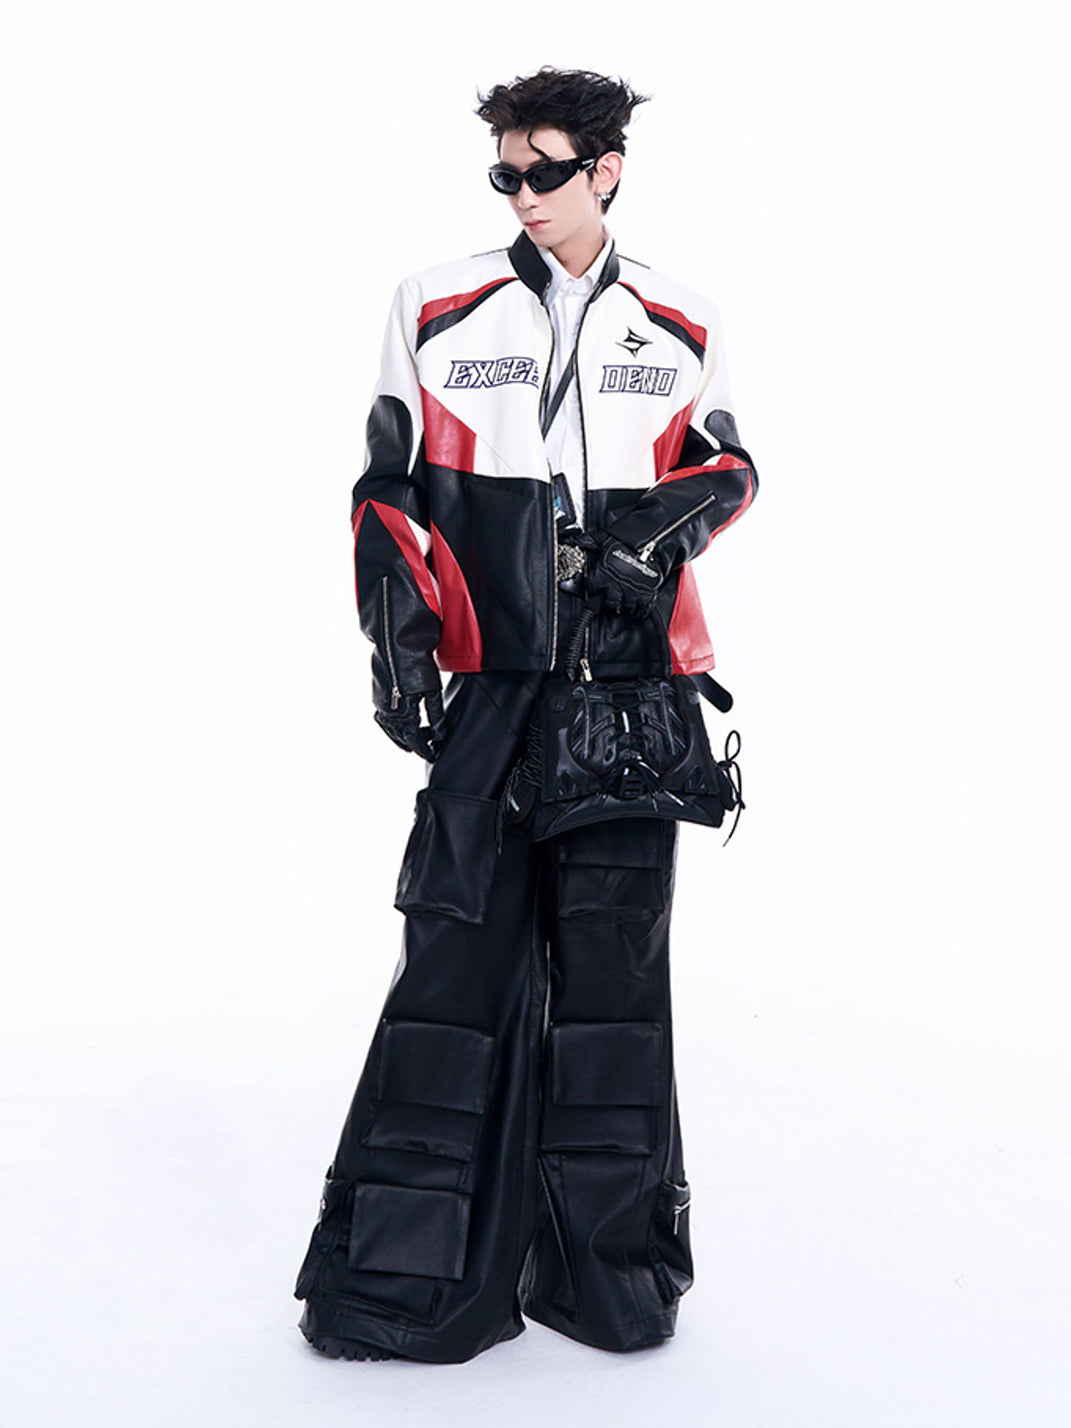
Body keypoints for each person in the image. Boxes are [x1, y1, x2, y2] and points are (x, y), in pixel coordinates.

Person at [293, 65, 758, 1365]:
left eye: (545, 171)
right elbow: (386, 482)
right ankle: (411, 1286)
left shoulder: (680, 317)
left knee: (615, 990)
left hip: (630, 690)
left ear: (607, 170)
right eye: (505, 173)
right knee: (454, 971)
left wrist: (657, 527)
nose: (523, 195)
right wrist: (396, 630)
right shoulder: (436, 305)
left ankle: (607, 1280)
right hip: (493, 686)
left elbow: (728, 465)